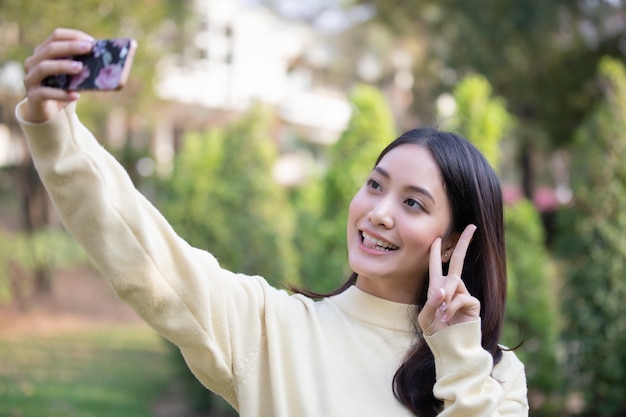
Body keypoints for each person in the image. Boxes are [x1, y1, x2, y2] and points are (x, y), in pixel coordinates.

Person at [16, 28, 529, 416]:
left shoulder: (497, 376)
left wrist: (458, 358)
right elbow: (138, 247)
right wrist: (53, 127)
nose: (378, 212)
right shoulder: (270, 329)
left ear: (450, 246)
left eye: (413, 204)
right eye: (375, 185)